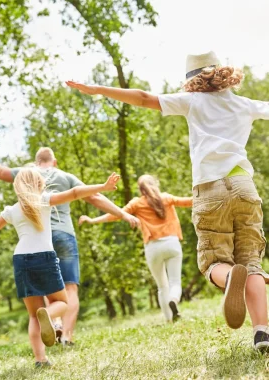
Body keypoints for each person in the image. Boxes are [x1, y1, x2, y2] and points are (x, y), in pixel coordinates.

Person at [66, 51, 269, 350]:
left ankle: (229, 281)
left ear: (194, 81)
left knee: (214, 261)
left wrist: (98, 89)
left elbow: (144, 97)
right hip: (244, 187)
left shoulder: (193, 102)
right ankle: (262, 333)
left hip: (210, 189)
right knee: (251, 262)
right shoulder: (244, 104)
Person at [0, 168, 121, 367]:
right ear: (38, 184)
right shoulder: (44, 200)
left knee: (32, 315)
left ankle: (40, 359)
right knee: (61, 302)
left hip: (21, 260)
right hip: (44, 257)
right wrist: (103, 187)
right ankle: (49, 314)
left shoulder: (12, 210)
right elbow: (74, 193)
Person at [0, 146, 139, 345]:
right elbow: (93, 196)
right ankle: (67, 336)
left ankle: (55, 322)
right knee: (70, 289)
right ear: (54, 162)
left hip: (38, 240)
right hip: (64, 235)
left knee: (49, 287)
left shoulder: (26, 174)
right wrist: (123, 214)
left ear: (36, 162)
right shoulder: (65, 176)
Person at [80, 174, 192, 322]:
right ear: (155, 184)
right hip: (172, 243)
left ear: (140, 189)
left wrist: (92, 220)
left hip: (153, 248)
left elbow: (116, 214)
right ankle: (174, 299)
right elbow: (189, 201)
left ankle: (169, 320)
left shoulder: (137, 203)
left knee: (162, 286)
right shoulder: (166, 198)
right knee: (174, 283)